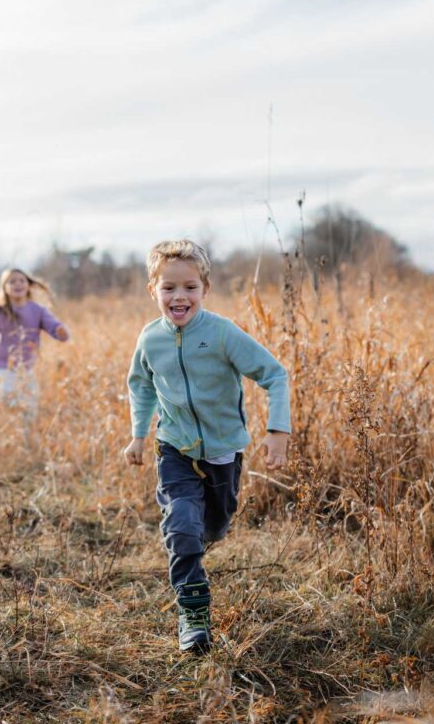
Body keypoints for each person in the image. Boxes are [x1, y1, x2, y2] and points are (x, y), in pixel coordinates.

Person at [122, 239, 291, 653]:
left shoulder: (221, 334)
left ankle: (207, 530)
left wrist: (278, 431)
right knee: (181, 529)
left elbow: (275, 375)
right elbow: (141, 387)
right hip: (175, 448)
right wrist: (138, 435)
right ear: (153, 291)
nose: (179, 297)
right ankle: (193, 618)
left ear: (205, 288)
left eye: (189, 287)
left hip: (222, 452)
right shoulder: (150, 340)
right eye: (169, 288)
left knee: (213, 526)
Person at [0, 268, 69, 412]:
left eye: (22, 281)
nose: (18, 284)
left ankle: (27, 432)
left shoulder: (38, 310)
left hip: (27, 367)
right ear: (4, 288)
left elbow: (53, 325)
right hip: (2, 367)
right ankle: (9, 424)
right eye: (12, 281)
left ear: (28, 285)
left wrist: (61, 331)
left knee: (30, 404)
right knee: (8, 401)